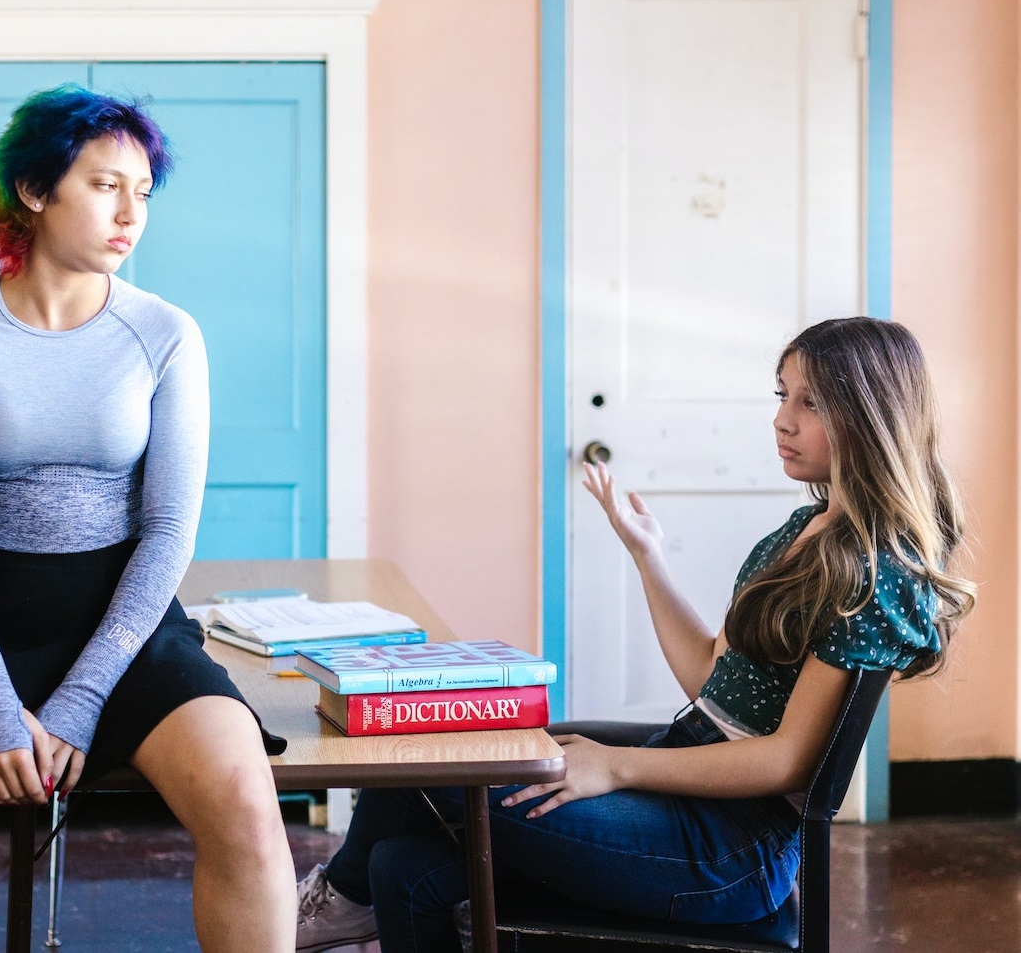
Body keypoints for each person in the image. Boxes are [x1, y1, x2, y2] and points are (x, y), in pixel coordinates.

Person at [292, 316, 977, 953]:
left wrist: (617, 764)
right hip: (687, 782)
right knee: (404, 862)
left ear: (871, 415)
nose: (780, 419)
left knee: (425, 765)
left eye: (810, 403)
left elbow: (788, 762)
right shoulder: (804, 529)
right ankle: (352, 894)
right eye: (781, 395)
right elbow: (710, 679)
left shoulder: (876, 571)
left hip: (729, 851)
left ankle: (334, 901)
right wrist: (647, 555)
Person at [0, 84, 296, 953]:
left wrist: (77, 701)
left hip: (129, 625)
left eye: (143, 192)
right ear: (35, 192)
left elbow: (168, 535)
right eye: (105, 185)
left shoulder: (166, 333)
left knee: (247, 806)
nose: (130, 213)